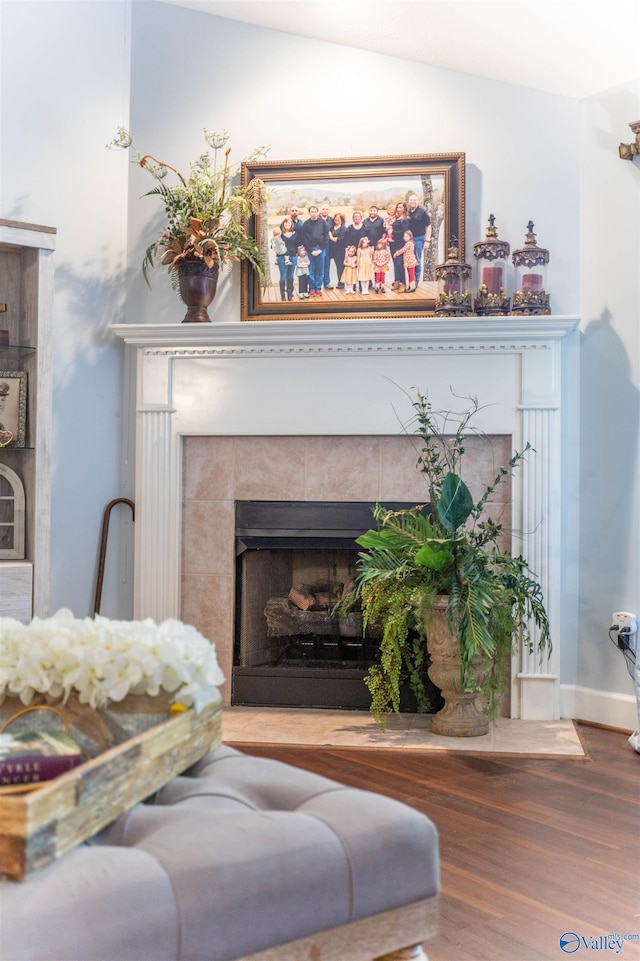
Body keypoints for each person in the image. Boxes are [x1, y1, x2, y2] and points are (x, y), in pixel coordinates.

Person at [299, 205, 330, 297]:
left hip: (320, 249)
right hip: (310, 250)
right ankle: (312, 288)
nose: (313, 213)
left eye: (315, 211)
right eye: (311, 212)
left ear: (318, 212)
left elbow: (326, 236)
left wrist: (321, 249)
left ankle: (318, 288)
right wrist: (310, 250)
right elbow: (304, 238)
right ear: (309, 213)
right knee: (311, 269)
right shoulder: (306, 224)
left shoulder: (323, 223)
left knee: (320, 270)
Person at [407, 193, 431, 285]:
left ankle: (416, 281)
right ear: (409, 202)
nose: (412, 202)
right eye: (411, 200)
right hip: (408, 239)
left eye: (414, 200)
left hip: (419, 238)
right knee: (409, 260)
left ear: (418, 201)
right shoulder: (408, 212)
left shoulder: (422, 212)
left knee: (417, 259)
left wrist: (427, 241)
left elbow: (428, 226)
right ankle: (410, 280)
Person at [390, 201, 410, 290]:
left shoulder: (405, 220)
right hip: (393, 244)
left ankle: (403, 282)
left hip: (400, 243)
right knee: (395, 263)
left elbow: (403, 232)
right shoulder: (396, 218)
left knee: (399, 263)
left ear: (404, 209)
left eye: (400, 207)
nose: (398, 209)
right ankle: (396, 281)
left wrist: (392, 232)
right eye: (397, 207)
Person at [279, 216, 299, 301]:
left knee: (290, 276)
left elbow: (298, 245)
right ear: (283, 224)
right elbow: (273, 246)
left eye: (289, 223)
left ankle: (290, 293)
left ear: (292, 224)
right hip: (282, 258)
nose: (287, 224)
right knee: (283, 276)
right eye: (286, 223)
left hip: (293, 256)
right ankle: (283, 295)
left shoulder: (295, 234)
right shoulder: (279, 235)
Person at [328, 211, 347, 289]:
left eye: (338, 218)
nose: (336, 219)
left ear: (342, 220)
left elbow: (342, 239)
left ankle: (341, 283)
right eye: (335, 218)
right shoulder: (332, 228)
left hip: (340, 250)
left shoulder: (343, 228)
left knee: (340, 267)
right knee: (336, 266)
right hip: (333, 250)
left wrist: (332, 238)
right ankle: (338, 281)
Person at [270, 226, 289, 301]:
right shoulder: (278, 238)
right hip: (282, 255)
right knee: (283, 275)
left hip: (278, 255)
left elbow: (272, 247)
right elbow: (282, 245)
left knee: (283, 275)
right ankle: (283, 294)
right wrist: (284, 243)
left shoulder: (272, 239)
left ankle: (284, 294)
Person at [319, 204, 335, 288]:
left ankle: (327, 282)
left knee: (327, 264)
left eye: (327, 209)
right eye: (323, 209)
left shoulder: (331, 220)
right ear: (320, 210)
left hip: (329, 244)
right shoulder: (316, 219)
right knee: (319, 264)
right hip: (319, 244)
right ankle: (318, 284)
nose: (325, 210)